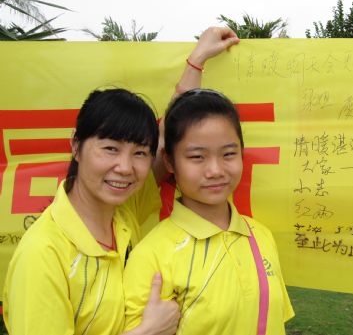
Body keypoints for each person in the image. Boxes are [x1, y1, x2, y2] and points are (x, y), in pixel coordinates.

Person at [2, 27, 240, 335]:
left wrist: (197, 60)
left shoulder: (123, 213)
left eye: (139, 152)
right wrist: (147, 332)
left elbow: (168, 137)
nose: (125, 168)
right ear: (76, 145)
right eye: (110, 149)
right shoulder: (43, 253)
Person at [122, 88, 294, 334]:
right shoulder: (151, 257)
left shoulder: (260, 236)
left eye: (228, 154)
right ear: (169, 161)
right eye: (197, 157)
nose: (215, 170)